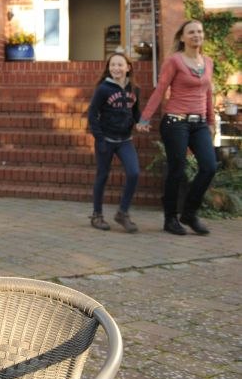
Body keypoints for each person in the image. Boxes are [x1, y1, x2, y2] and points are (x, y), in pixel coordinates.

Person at [136, 19, 216, 235]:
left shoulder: (208, 62)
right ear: (182, 37)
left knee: (209, 167)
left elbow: (208, 93)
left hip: (198, 123)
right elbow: (160, 90)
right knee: (177, 169)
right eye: (191, 32)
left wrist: (211, 121)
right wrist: (145, 118)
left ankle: (189, 213)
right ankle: (170, 218)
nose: (196, 35)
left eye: (199, 31)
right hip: (175, 122)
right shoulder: (174, 61)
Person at [87, 52, 141, 233]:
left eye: (120, 65)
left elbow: (136, 113)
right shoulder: (103, 89)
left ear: (128, 67)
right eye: (112, 65)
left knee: (133, 173)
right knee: (102, 175)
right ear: (109, 68)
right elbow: (92, 114)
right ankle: (97, 215)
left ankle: (122, 213)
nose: (116, 68)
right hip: (106, 140)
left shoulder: (134, 89)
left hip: (125, 140)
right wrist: (99, 139)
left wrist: (142, 123)